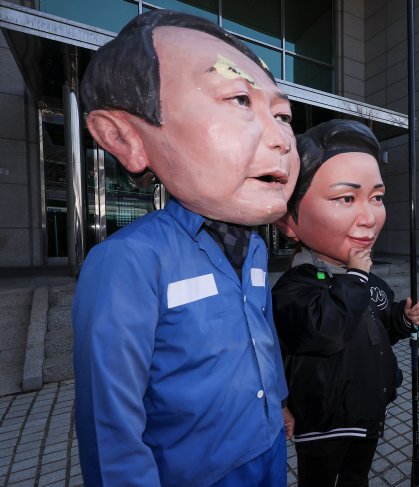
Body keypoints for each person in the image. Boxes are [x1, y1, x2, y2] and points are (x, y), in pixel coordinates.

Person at [71, 11, 298, 486]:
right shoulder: (127, 261)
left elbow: (262, 332)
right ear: (125, 137)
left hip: (267, 451)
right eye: (239, 100)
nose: (280, 140)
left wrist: (277, 400)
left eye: (281, 115)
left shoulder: (255, 249)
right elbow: (108, 418)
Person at [271, 119, 419, 487]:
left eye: (376, 198)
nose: (370, 219)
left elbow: (380, 330)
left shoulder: (367, 280)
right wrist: (356, 277)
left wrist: (402, 322)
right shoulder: (294, 287)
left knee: (357, 478)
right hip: (323, 422)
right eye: (345, 198)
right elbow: (326, 332)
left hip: (369, 412)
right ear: (289, 221)